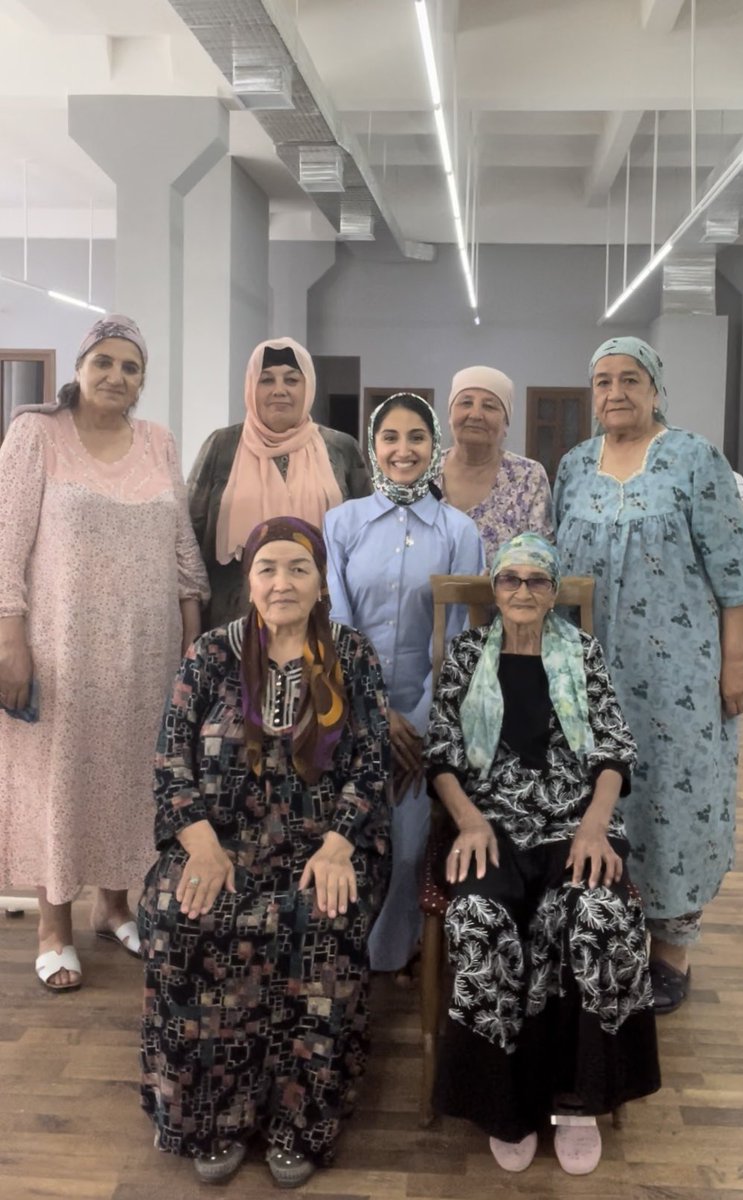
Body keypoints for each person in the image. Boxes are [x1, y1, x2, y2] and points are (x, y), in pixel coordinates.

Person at [139, 517, 390, 1188]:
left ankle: (298, 1120)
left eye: (298, 568)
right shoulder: (210, 655)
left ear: (320, 580)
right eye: (268, 569)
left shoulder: (351, 654)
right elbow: (170, 762)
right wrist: (199, 845)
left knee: (324, 922)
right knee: (180, 915)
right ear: (248, 580)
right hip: (220, 841)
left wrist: (340, 845)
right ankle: (209, 1115)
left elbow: (371, 767)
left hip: (323, 842)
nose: (282, 583)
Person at [423, 533, 660, 1176]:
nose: (522, 592)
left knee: (596, 915)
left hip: (574, 820)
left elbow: (613, 750)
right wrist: (468, 822)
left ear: (553, 591)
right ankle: (504, 1103)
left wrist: (594, 828)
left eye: (536, 581)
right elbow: (441, 756)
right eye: (509, 580)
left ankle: (578, 1096)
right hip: (490, 823)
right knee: (479, 918)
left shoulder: (582, 652)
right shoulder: (469, 654)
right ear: (495, 588)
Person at [554, 336, 743, 1013]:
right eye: (603, 381)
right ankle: (606, 925)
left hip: (680, 675)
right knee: (598, 796)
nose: (615, 392)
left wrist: (735, 665)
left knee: (674, 800)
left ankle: (671, 949)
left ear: (654, 388)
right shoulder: (574, 465)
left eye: (630, 379)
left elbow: (737, 572)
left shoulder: (693, 459)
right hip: (588, 672)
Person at [0, 314, 209, 992]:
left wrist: (191, 631)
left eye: (131, 367)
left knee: (133, 777)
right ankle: (53, 924)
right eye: (105, 363)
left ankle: (115, 904)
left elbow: (181, 544)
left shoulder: (158, 441)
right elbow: (7, 543)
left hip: (145, 650)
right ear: (80, 367)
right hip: (59, 651)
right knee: (59, 780)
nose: (117, 376)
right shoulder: (37, 433)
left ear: (143, 381)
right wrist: (10, 637)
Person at [323, 393, 484, 977]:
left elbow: (462, 642)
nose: (403, 449)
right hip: (347, 713)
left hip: (427, 721)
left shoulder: (459, 532)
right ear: (373, 446)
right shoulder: (341, 524)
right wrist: (374, 715)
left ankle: (391, 954)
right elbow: (336, 628)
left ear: (434, 446)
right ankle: (339, 947)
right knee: (348, 835)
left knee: (411, 844)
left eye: (416, 437)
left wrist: (416, 723)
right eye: (390, 437)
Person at [187, 336, 372, 627]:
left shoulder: (341, 448)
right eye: (267, 380)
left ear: (308, 385)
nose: (279, 391)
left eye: (291, 380)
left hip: (321, 619)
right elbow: (190, 539)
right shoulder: (222, 446)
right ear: (251, 386)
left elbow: (365, 537)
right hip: (232, 620)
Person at [436, 365, 553, 563]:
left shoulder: (528, 476)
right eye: (465, 403)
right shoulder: (422, 470)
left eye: (489, 406)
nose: (475, 415)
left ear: (506, 423)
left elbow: (542, 560)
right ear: (449, 416)